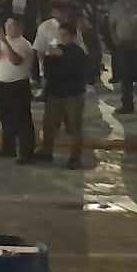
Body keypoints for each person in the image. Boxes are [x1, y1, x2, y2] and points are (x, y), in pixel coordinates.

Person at [37, 20, 91, 167]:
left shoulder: (78, 52)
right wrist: (49, 58)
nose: (62, 38)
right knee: (49, 125)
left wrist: (62, 57)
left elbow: (77, 72)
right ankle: (46, 151)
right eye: (60, 35)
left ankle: (75, 157)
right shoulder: (55, 50)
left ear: (73, 36)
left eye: (65, 35)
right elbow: (48, 71)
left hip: (73, 95)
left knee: (74, 127)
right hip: (55, 93)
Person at [0, 14, 36, 163]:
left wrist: (5, 43)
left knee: (22, 120)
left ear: (20, 27)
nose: (8, 29)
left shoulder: (24, 44)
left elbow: (15, 61)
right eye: (7, 26)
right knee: (6, 118)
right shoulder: (2, 41)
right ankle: (8, 147)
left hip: (17, 85)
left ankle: (26, 152)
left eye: (12, 26)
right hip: (0, 84)